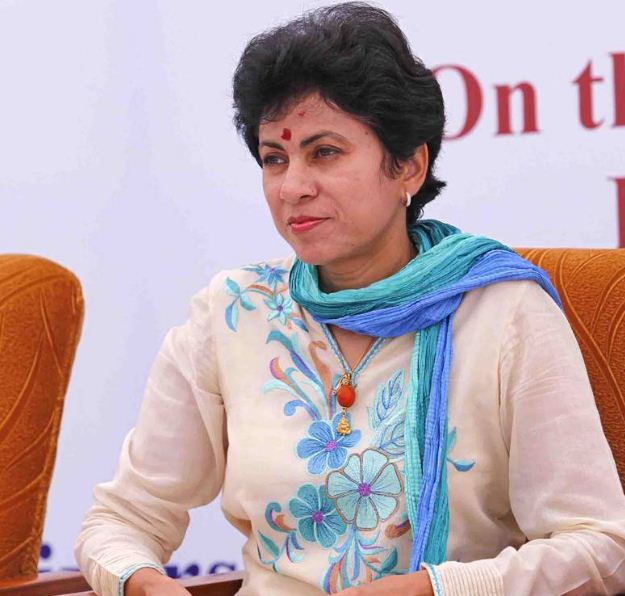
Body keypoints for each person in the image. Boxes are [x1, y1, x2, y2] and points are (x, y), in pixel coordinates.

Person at [74, 3, 625, 595]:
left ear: (408, 165)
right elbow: (121, 522)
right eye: (274, 158)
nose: (292, 187)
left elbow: (601, 547)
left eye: (325, 152)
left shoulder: (502, 313)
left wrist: (433, 589)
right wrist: (146, 584)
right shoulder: (234, 311)